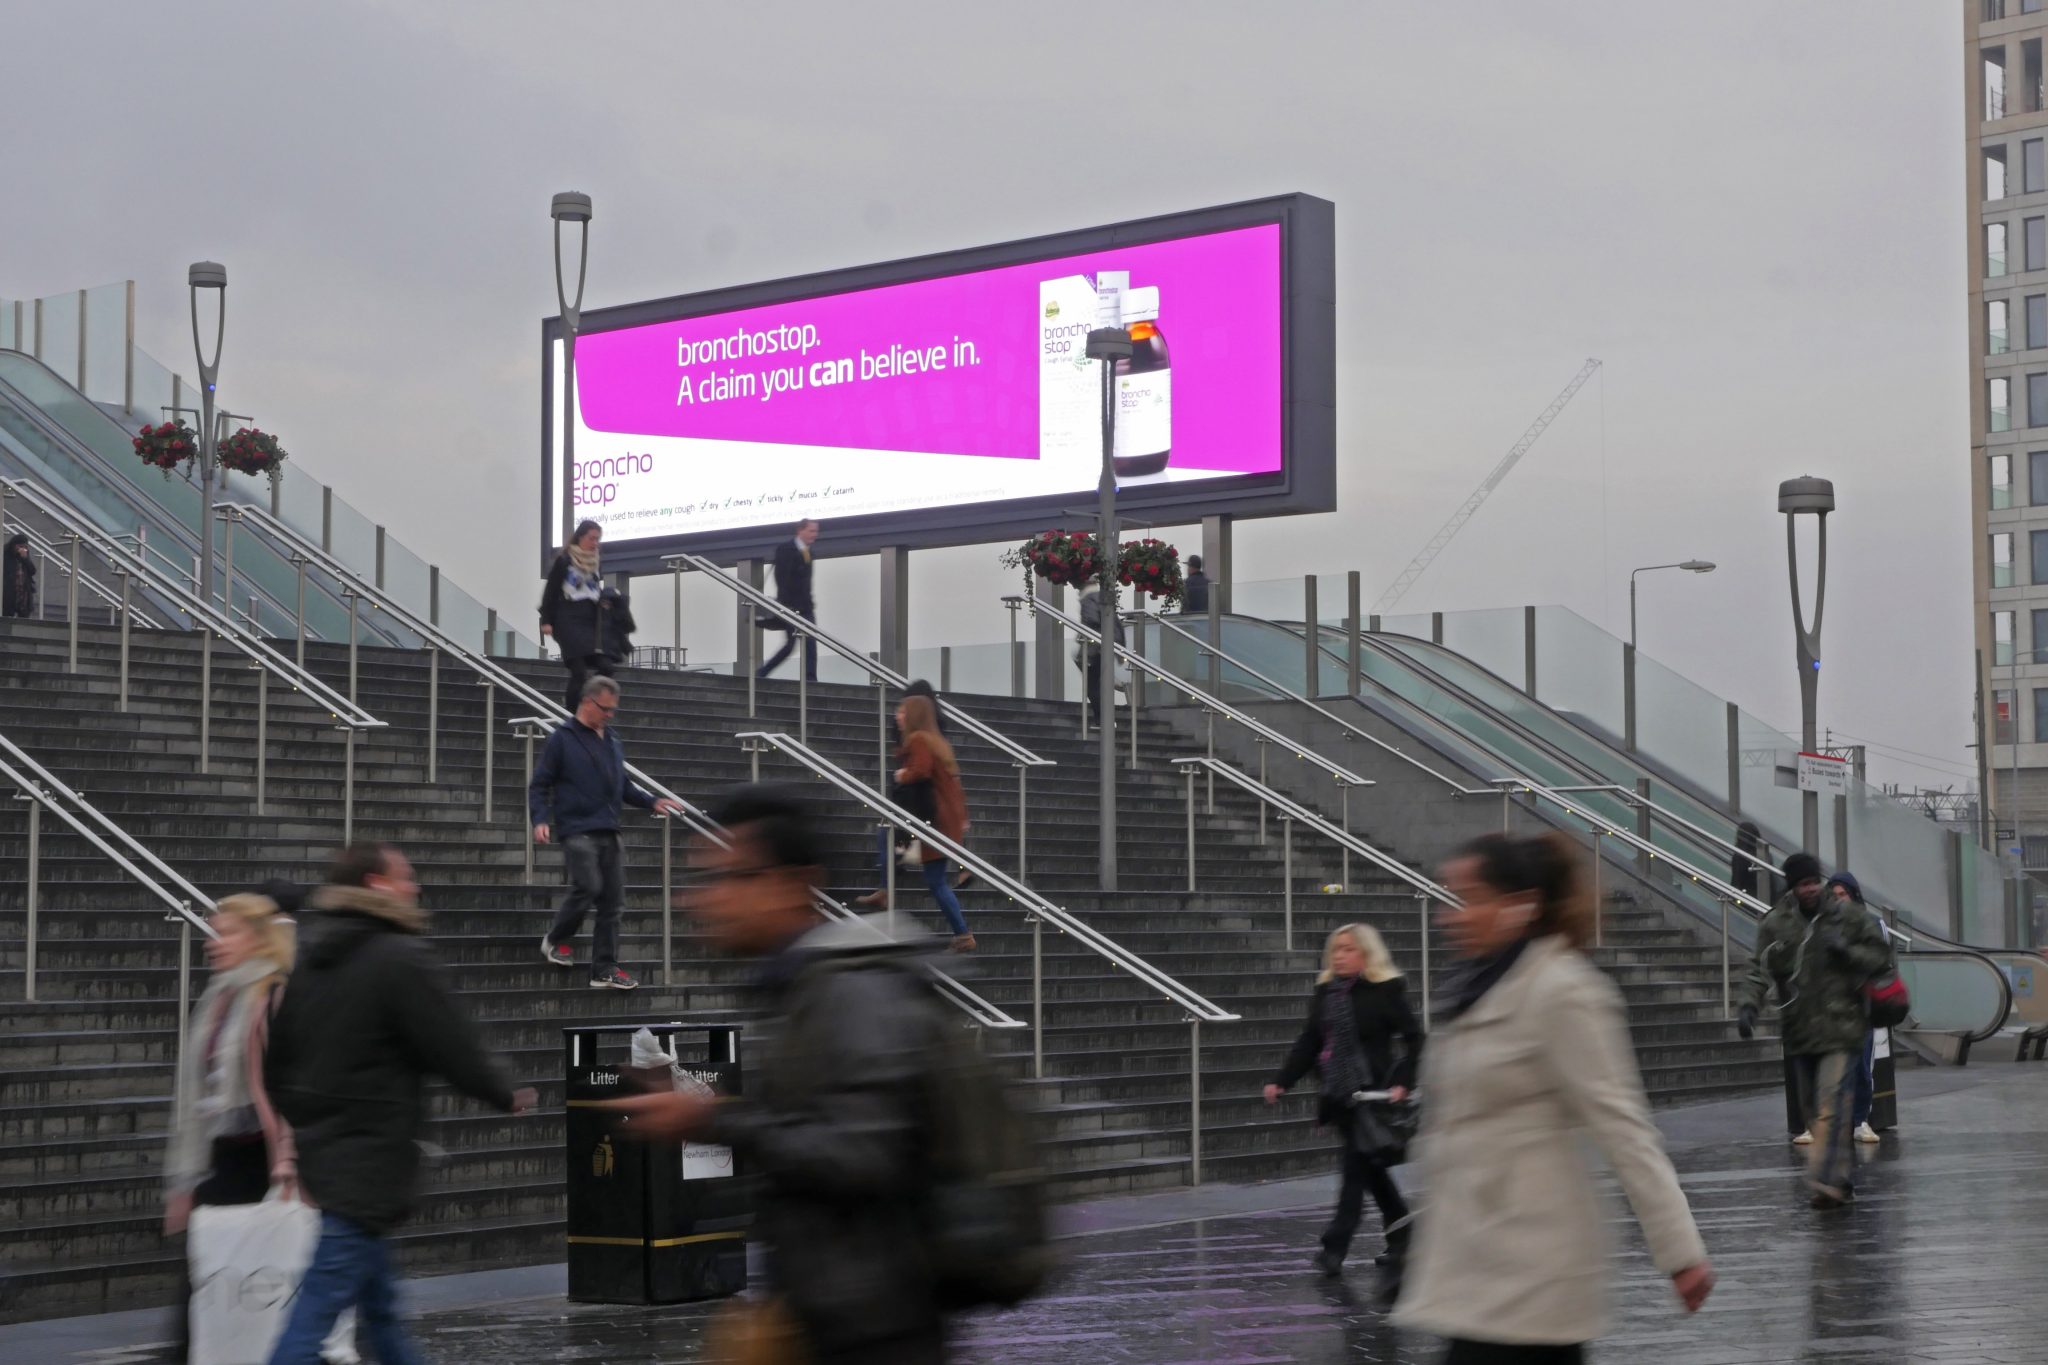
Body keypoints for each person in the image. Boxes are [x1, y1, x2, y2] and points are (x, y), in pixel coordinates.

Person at [598, 785, 959, 1363]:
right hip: (836, 1320)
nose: (704, 899)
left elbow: (863, 1152)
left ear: (796, 883)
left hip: (874, 1333)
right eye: (704, 879)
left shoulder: (851, 994)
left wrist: (716, 1121)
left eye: (731, 877)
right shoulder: (802, 993)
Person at [1395, 833, 1714, 1362]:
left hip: (1534, 1265)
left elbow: (1624, 1127)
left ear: (1520, 905)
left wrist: (1681, 1252)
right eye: (1452, 898)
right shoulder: (1473, 989)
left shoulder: (1562, 991)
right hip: (1476, 1255)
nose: (1450, 917)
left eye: (1471, 898)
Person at [263, 844, 537, 1365]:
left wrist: (307, 1119)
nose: (415, 887)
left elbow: (277, 1057)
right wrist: (501, 1091)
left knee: (381, 1308)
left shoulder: (312, 958)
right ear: (376, 884)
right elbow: (449, 1040)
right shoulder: (399, 956)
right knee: (316, 1310)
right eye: (406, 877)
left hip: (327, 1147)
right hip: (373, 1151)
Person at [164, 894, 309, 1360]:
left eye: (228, 933)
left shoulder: (273, 994)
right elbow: (198, 1091)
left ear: (259, 939)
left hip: (262, 1157)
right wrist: (184, 1178)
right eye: (214, 931)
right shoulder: (221, 995)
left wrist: (289, 1158)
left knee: (219, 1283)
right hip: (223, 1153)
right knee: (210, 1281)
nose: (214, 942)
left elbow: (294, 1083)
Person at [1263, 923, 1420, 1280]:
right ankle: (1403, 1235)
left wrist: (1403, 1082)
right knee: (1371, 1172)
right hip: (1338, 1096)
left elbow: (1415, 1038)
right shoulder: (1326, 993)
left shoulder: (1385, 990)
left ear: (1366, 953)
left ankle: (1334, 1247)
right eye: (1336, 949)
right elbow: (1310, 1041)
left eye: (1349, 949)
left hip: (1373, 1097)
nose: (1340, 955)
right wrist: (1282, 1080)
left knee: (1355, 1172)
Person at [1736, 851, 1893, 1208]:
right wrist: (1748, 1005)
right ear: (1792, 887)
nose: (1809, 889)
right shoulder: (1776, 924)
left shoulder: (1845, 916)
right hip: (1800, 1031)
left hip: (1842, 1028)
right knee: (1813, 1111)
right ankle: (1838, 1176)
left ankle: (1828, 1180)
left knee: (1831, 1100)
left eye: (1813, 882)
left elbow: (1880, 956)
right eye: (1802, 884)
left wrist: (1847, 952)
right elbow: (1758, 970)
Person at [529, 677, 684, 990]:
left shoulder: (612, 740)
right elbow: (540, 783)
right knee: (588, 885)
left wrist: (652, 801)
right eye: (605, 709)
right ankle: (556, 939)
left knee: (613, 903)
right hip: (576, 828)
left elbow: (623, 785)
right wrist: (540, 819)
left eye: (613, 709)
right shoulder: (563, 739)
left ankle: (604, 968)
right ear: (587, 702)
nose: (610, 715)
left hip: (609, 828)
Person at [857, 695, 973, 951]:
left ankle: (963, 934)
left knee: (931, 876)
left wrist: (902, 774)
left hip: (933, 822)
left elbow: (920, 770)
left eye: (902, 711)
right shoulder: (937, 741)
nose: (898, 716)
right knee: (897, 845)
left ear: (914, 715)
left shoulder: (919, 739)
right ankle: (887, 889)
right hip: (943, 820)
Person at [1827, 872, 1885, 1146]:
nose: (1839, 900)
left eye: (1843, 895)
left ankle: (1861, 1119)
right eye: (1834, 896)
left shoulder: (1871, 924)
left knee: (1861, 1064)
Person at [539, 519, 607, 714]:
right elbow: (551, 591)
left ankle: (589, 703)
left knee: (605, 666)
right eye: (591, 538)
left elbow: (594, 591)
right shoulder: (564, 561)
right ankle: (571, 714)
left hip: (589, 621)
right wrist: (546, 620)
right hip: (567, 619)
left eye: (598, 539)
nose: (595, 543)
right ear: (580, 537)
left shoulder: (596, 564)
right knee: (578, 671)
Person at [760, 518, 819, 681]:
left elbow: (806, 582)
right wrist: (787, 605)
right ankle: (763, 672)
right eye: (811, 531)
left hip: (806, 607)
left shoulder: (809, 552)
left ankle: (810, 678)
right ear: (800, 530)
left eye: (816, 531)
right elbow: (782, 579)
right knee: (790, 645)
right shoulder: (785, 549)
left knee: (810, 642)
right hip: (790, 606)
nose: (815, 534)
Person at [1076, 580, 1125, 707]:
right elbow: (1117, 625)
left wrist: (1080, 636)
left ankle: (1101, 715)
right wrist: (1121, 648)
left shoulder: (1088, 599)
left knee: (1092, 684)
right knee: (1099, 681)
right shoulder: (1102, 600)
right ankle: (1105, 711)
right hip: (1108, 644)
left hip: (1095, 647)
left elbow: (1091, 619)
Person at [596, 584, 636, 675]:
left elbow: (628, 627)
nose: (605, 605)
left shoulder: (614, 616)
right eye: (603, 602)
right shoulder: (599, 614)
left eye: (608, 602)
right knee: (607, 669)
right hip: (600, 651)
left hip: (609, 651)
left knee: (607, 670)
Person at [3, 532, 36, 618]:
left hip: (23, 591)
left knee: (24, 615)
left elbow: (32, 570)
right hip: (8, 591)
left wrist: (25, 558)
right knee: (7, 615)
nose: (22, 549)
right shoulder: (5, 554)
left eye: (25, 547)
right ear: (14, 545)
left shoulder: (24, 555)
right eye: (20, 546)